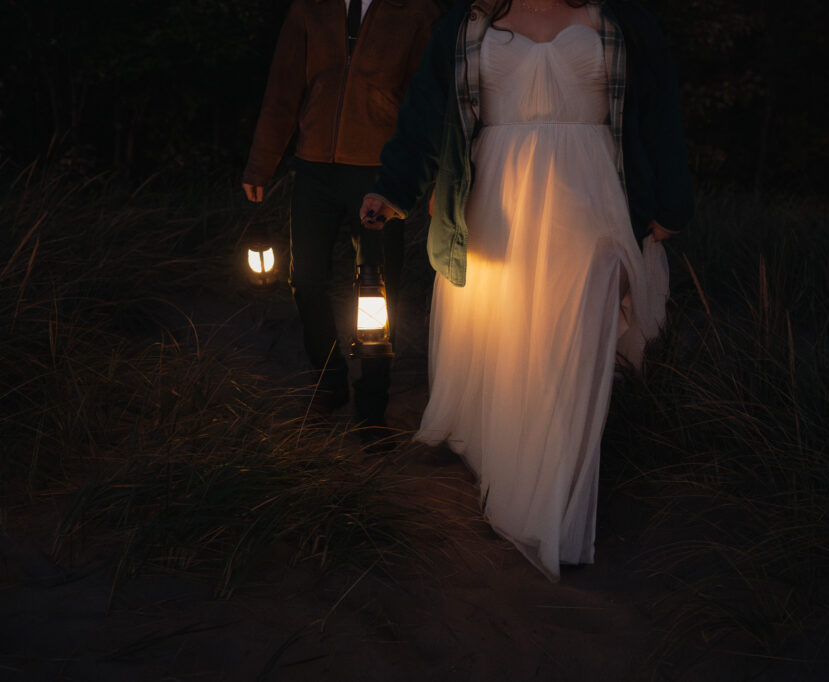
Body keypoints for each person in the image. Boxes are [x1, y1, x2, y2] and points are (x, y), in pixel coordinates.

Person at [360, 0, 693, 580]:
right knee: (512, 344)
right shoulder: (469, 23)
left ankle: (552, 507)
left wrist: (671, 204)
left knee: (574, 346)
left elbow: (659, 112)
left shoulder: (622, 22)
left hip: (594, 198)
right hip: (497, 199)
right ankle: (510, 474)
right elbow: (425, 114)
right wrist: (394, 188)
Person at [242, 0, 440, 432]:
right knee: (305, 278)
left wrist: (432, 174)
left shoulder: (415, 12)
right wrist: (261, 161)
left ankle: (371, 407)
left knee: (377, 289)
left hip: (379, 173)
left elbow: (425, 102)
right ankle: (330, 384)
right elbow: (283, 87)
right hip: (313, 167)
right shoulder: (309, 8)